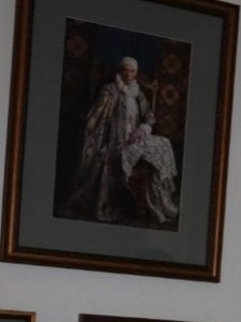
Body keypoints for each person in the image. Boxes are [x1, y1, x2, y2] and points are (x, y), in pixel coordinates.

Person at [64, 56, 180, 226]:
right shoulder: (110, 90)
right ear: (120, 71)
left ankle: (157, 200)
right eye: (125, 70)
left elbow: (149, 117)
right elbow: (98, 116)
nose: (128, 74)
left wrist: (142, 130)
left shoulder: (138, 93)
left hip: (134, 138)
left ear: (136, 74)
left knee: (163, 143)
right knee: (107, 159)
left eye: (132, 71)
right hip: (114, 140)